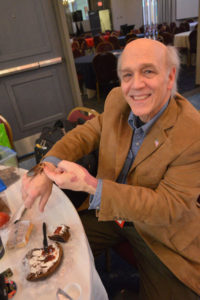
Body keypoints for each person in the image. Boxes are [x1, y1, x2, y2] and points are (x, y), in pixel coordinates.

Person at [22, 38, 200, 299]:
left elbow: (168, 207)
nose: (136, 85)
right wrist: (46, 167)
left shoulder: (192, 132)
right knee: (49, 252)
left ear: (171, 76)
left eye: (148, 71)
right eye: (127, 75)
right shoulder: (118, 99)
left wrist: (92, 186)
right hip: (109, 214)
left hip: (158, 233)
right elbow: (85, 134)